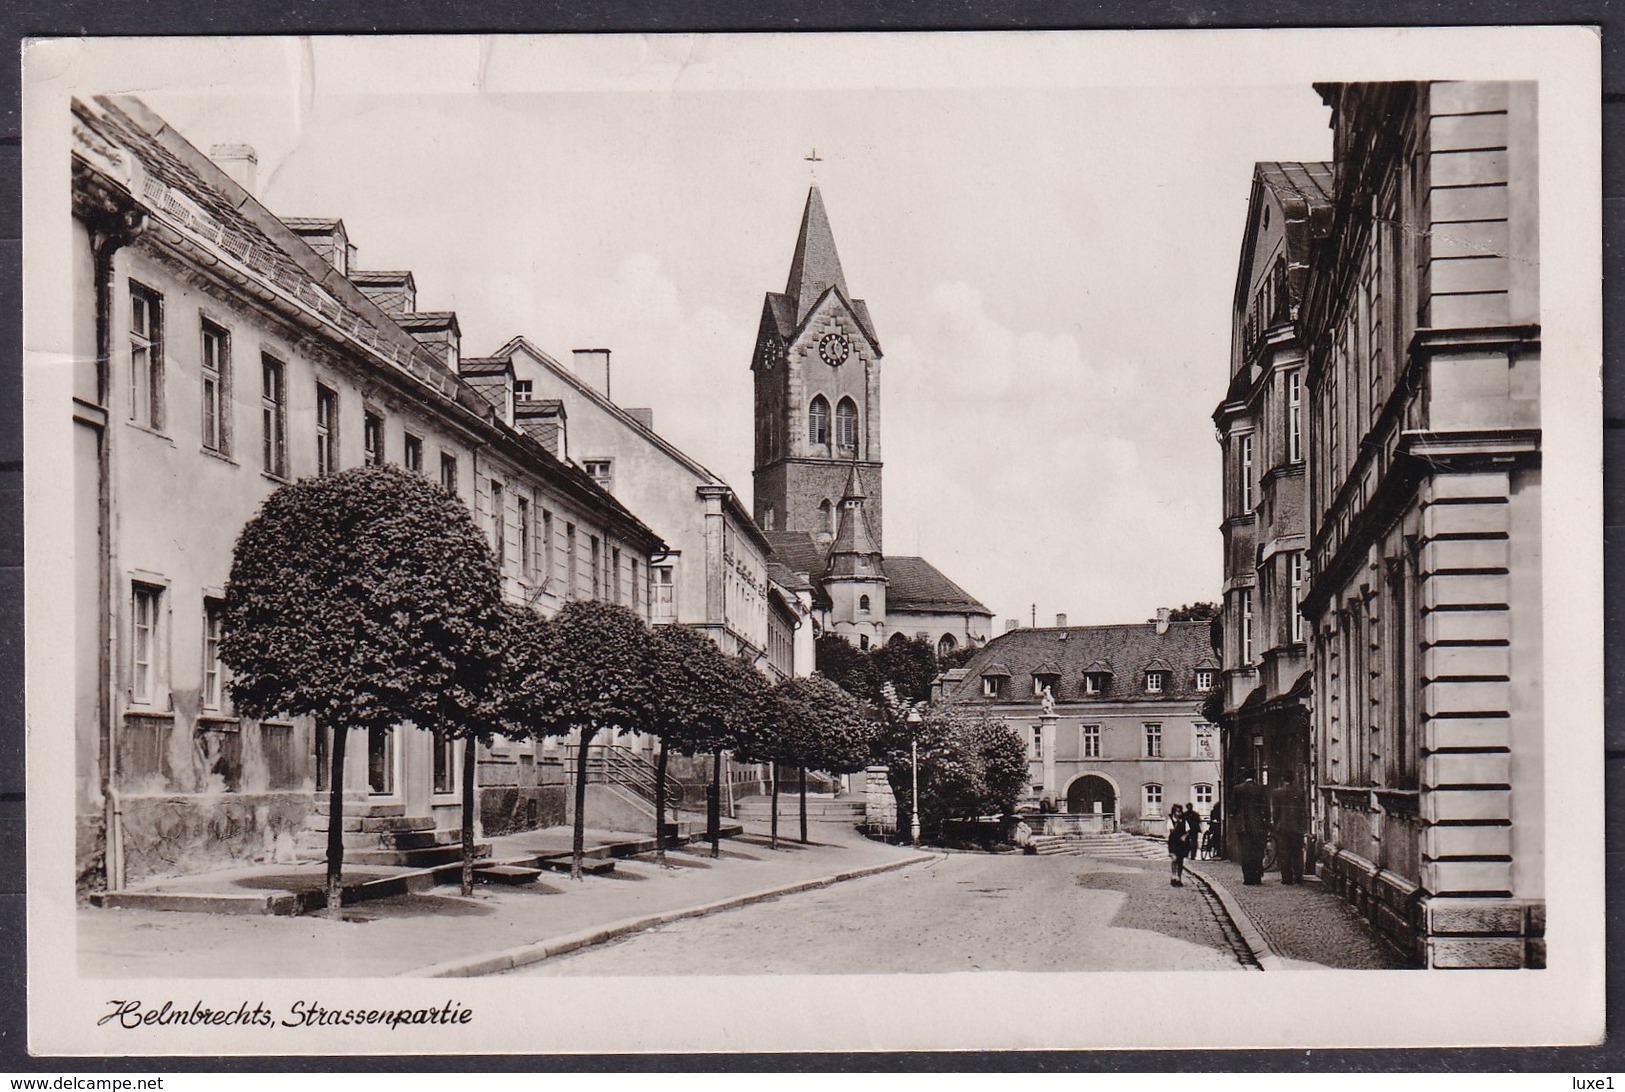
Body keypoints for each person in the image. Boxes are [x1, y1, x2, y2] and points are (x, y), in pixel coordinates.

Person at [1270, 769, 1307, 884]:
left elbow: (1275, 811)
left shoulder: (1277, 793)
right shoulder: (1300, 792)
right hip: (1297, 827)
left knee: (1284, 853)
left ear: (1283, 779)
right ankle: (1298, 876)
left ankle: (1286, 878)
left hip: (1283, 827)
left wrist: (1275, 823)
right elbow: (1302, 811)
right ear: (1294, 779)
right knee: (1297, 852)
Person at [1232, 776, 1269, 885]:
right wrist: (1266, 821)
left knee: (1245, 852)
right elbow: (1265, 807)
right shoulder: (1260, 788)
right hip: (1258, 824)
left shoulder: (1237, 788)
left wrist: (1235, 818)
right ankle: (1257, 877)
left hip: (1243, 825)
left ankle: (1248, 878)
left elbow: (1234, 807)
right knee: (1257, 851)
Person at [1166, 804, 1189, 887]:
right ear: (1174, 812)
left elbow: (1187, 831)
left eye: (1179, 811)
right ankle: (1173, 876)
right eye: (1177, 811)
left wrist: (1184, 836)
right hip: (1173, 843)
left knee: (1180, 861)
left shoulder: (1184, 821)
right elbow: (1172, 831)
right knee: (1174, 859)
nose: (1178, 813)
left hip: (1182, 843)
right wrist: (1177, 823)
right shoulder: (1170, 821)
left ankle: (1179, 878)